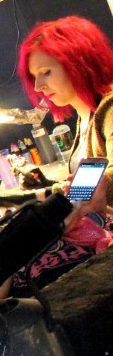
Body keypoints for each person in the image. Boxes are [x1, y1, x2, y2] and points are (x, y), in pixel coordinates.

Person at [17, 15, 113, 216]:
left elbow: (105, 182)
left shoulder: (110, 110)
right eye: (35, 76)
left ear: (78, 63)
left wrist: (75, 191)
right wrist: (48, 186)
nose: (38, 86)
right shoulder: (85, 116)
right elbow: (84, 189)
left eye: (46, 72)